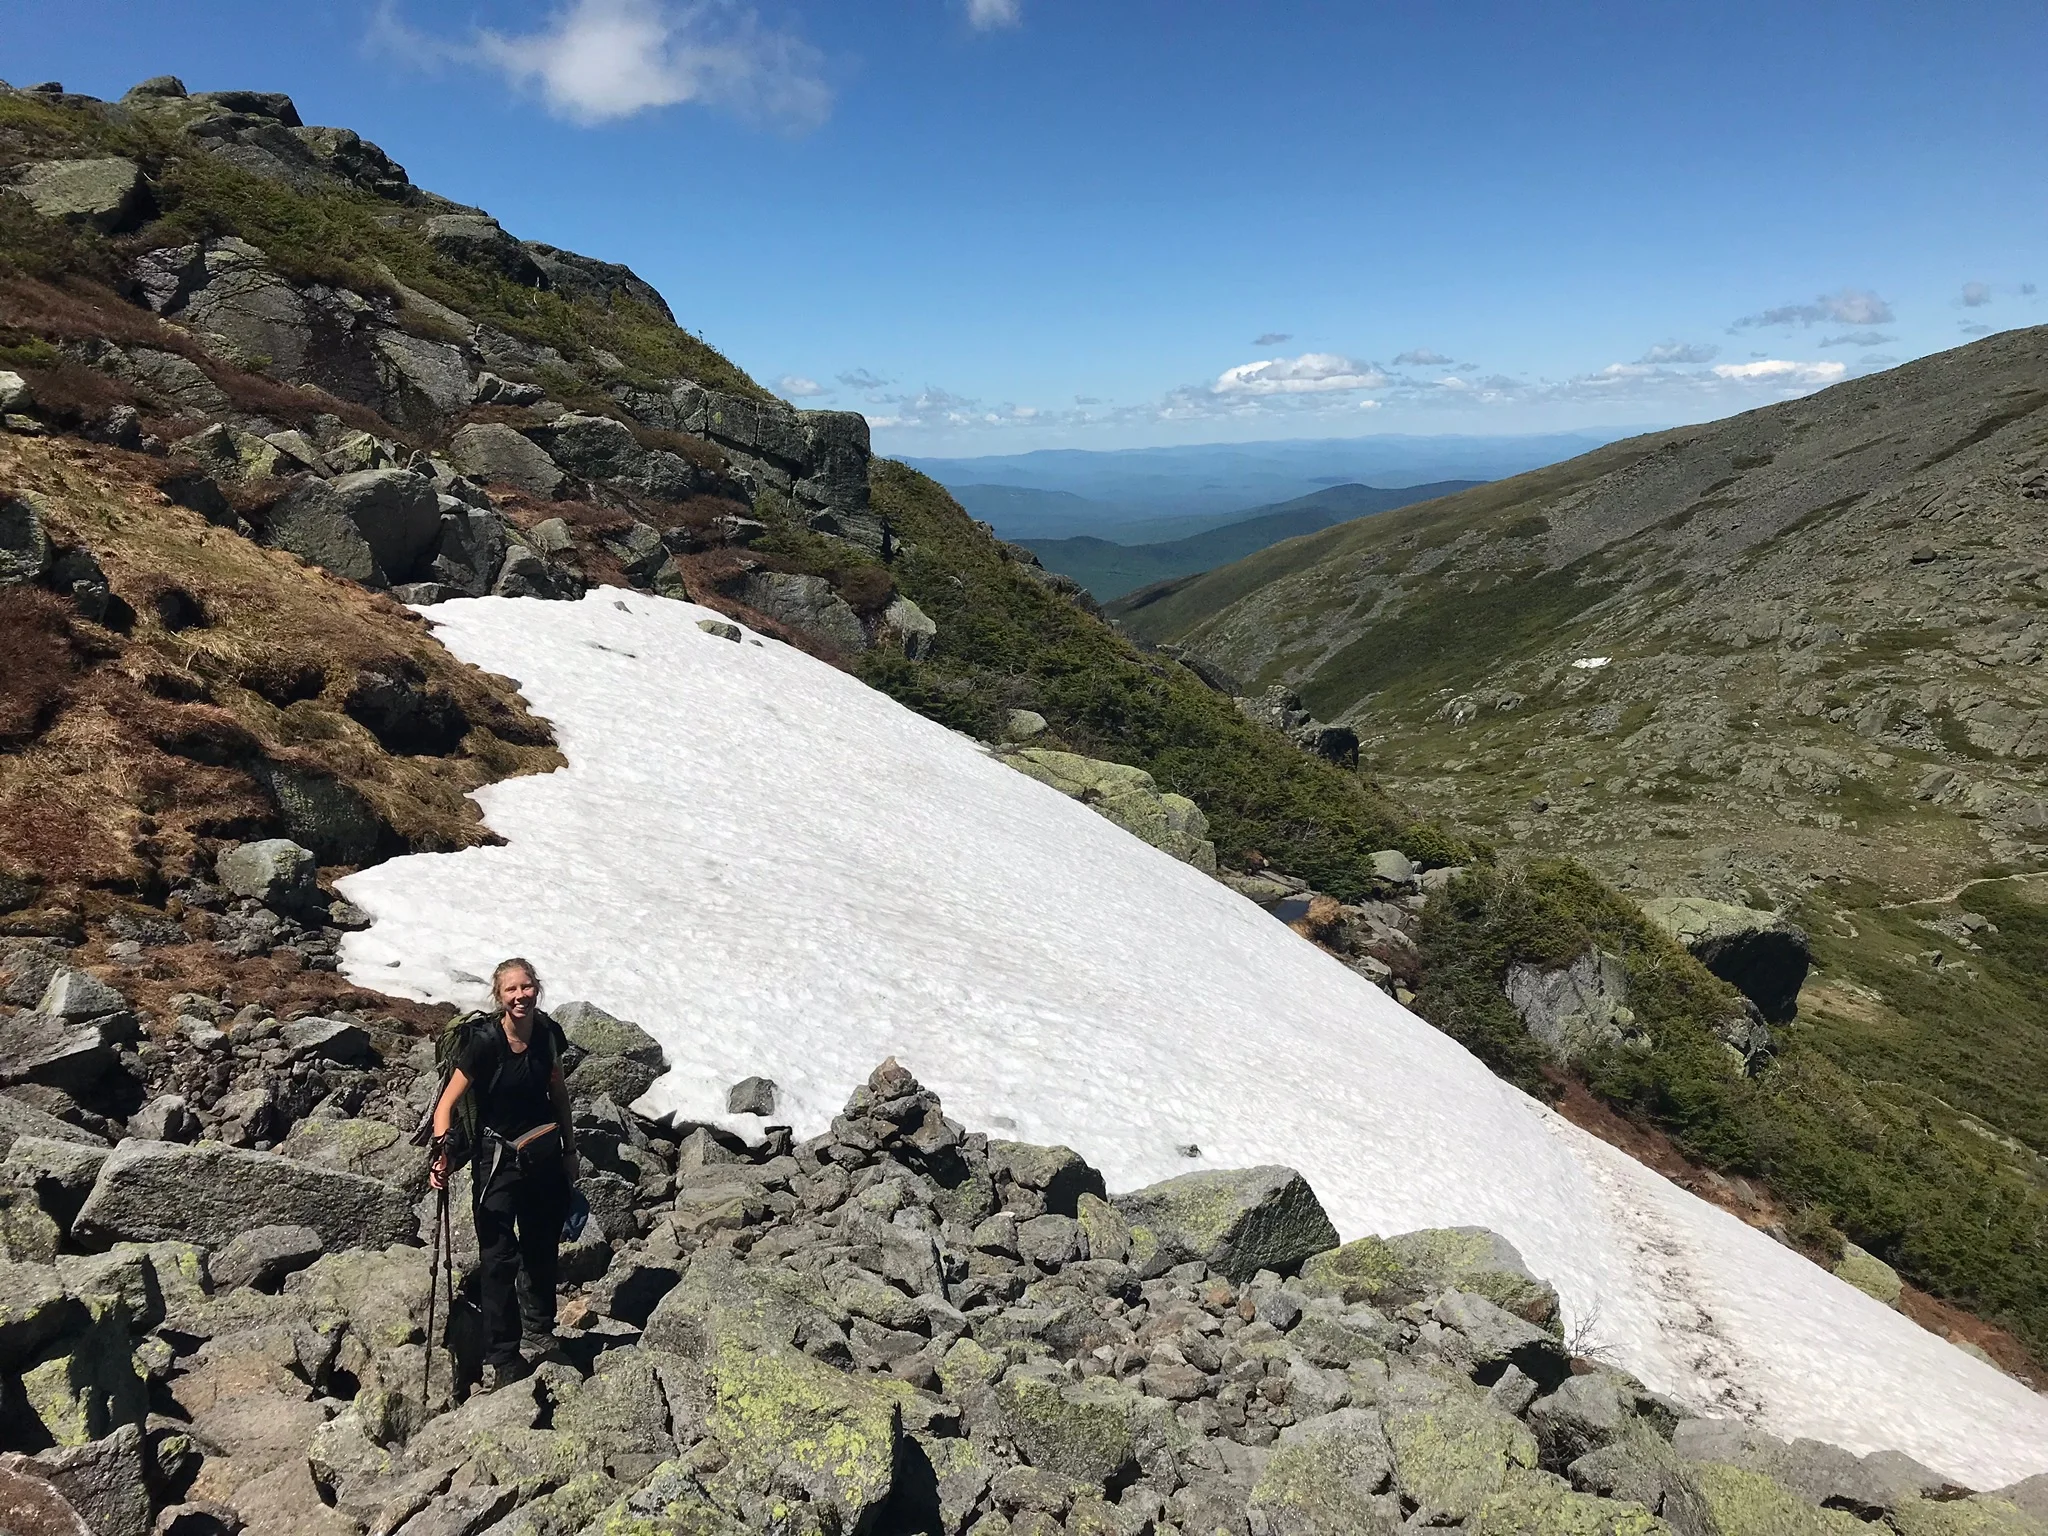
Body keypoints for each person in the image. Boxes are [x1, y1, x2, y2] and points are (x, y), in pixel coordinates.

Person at [429, 957, 579, 1388]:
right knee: (498, 1259)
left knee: (541, 1246)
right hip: (496, 1164)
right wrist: (442, 1152)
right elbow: (446, 1105)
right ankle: (504, 1358)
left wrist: (571, 1150)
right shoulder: (483, 1044)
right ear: (499, 997)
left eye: (526, 987)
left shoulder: (548, 1035)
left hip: (545, 1159)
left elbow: (559, 1095)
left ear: (537, 989)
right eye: (511, 990)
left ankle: (539, 1328)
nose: (520, 996)